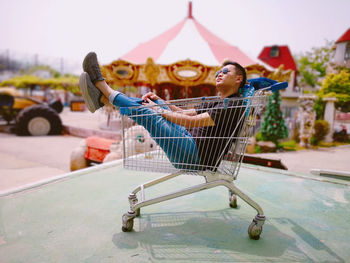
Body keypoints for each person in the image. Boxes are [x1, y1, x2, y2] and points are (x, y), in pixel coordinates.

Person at [79, 52, 246, 170]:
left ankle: (101, 85)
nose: (219, 74)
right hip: (189, 140)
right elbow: (184, 114)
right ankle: (101, 100)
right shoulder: (219, 101)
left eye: (225, 71)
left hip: (195, 156)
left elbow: (191, 122)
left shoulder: (233, 104)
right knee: (151, 103)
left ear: (238, 78)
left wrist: (160, 111)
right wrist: (161, 101)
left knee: (150, 115)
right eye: (218, 72)